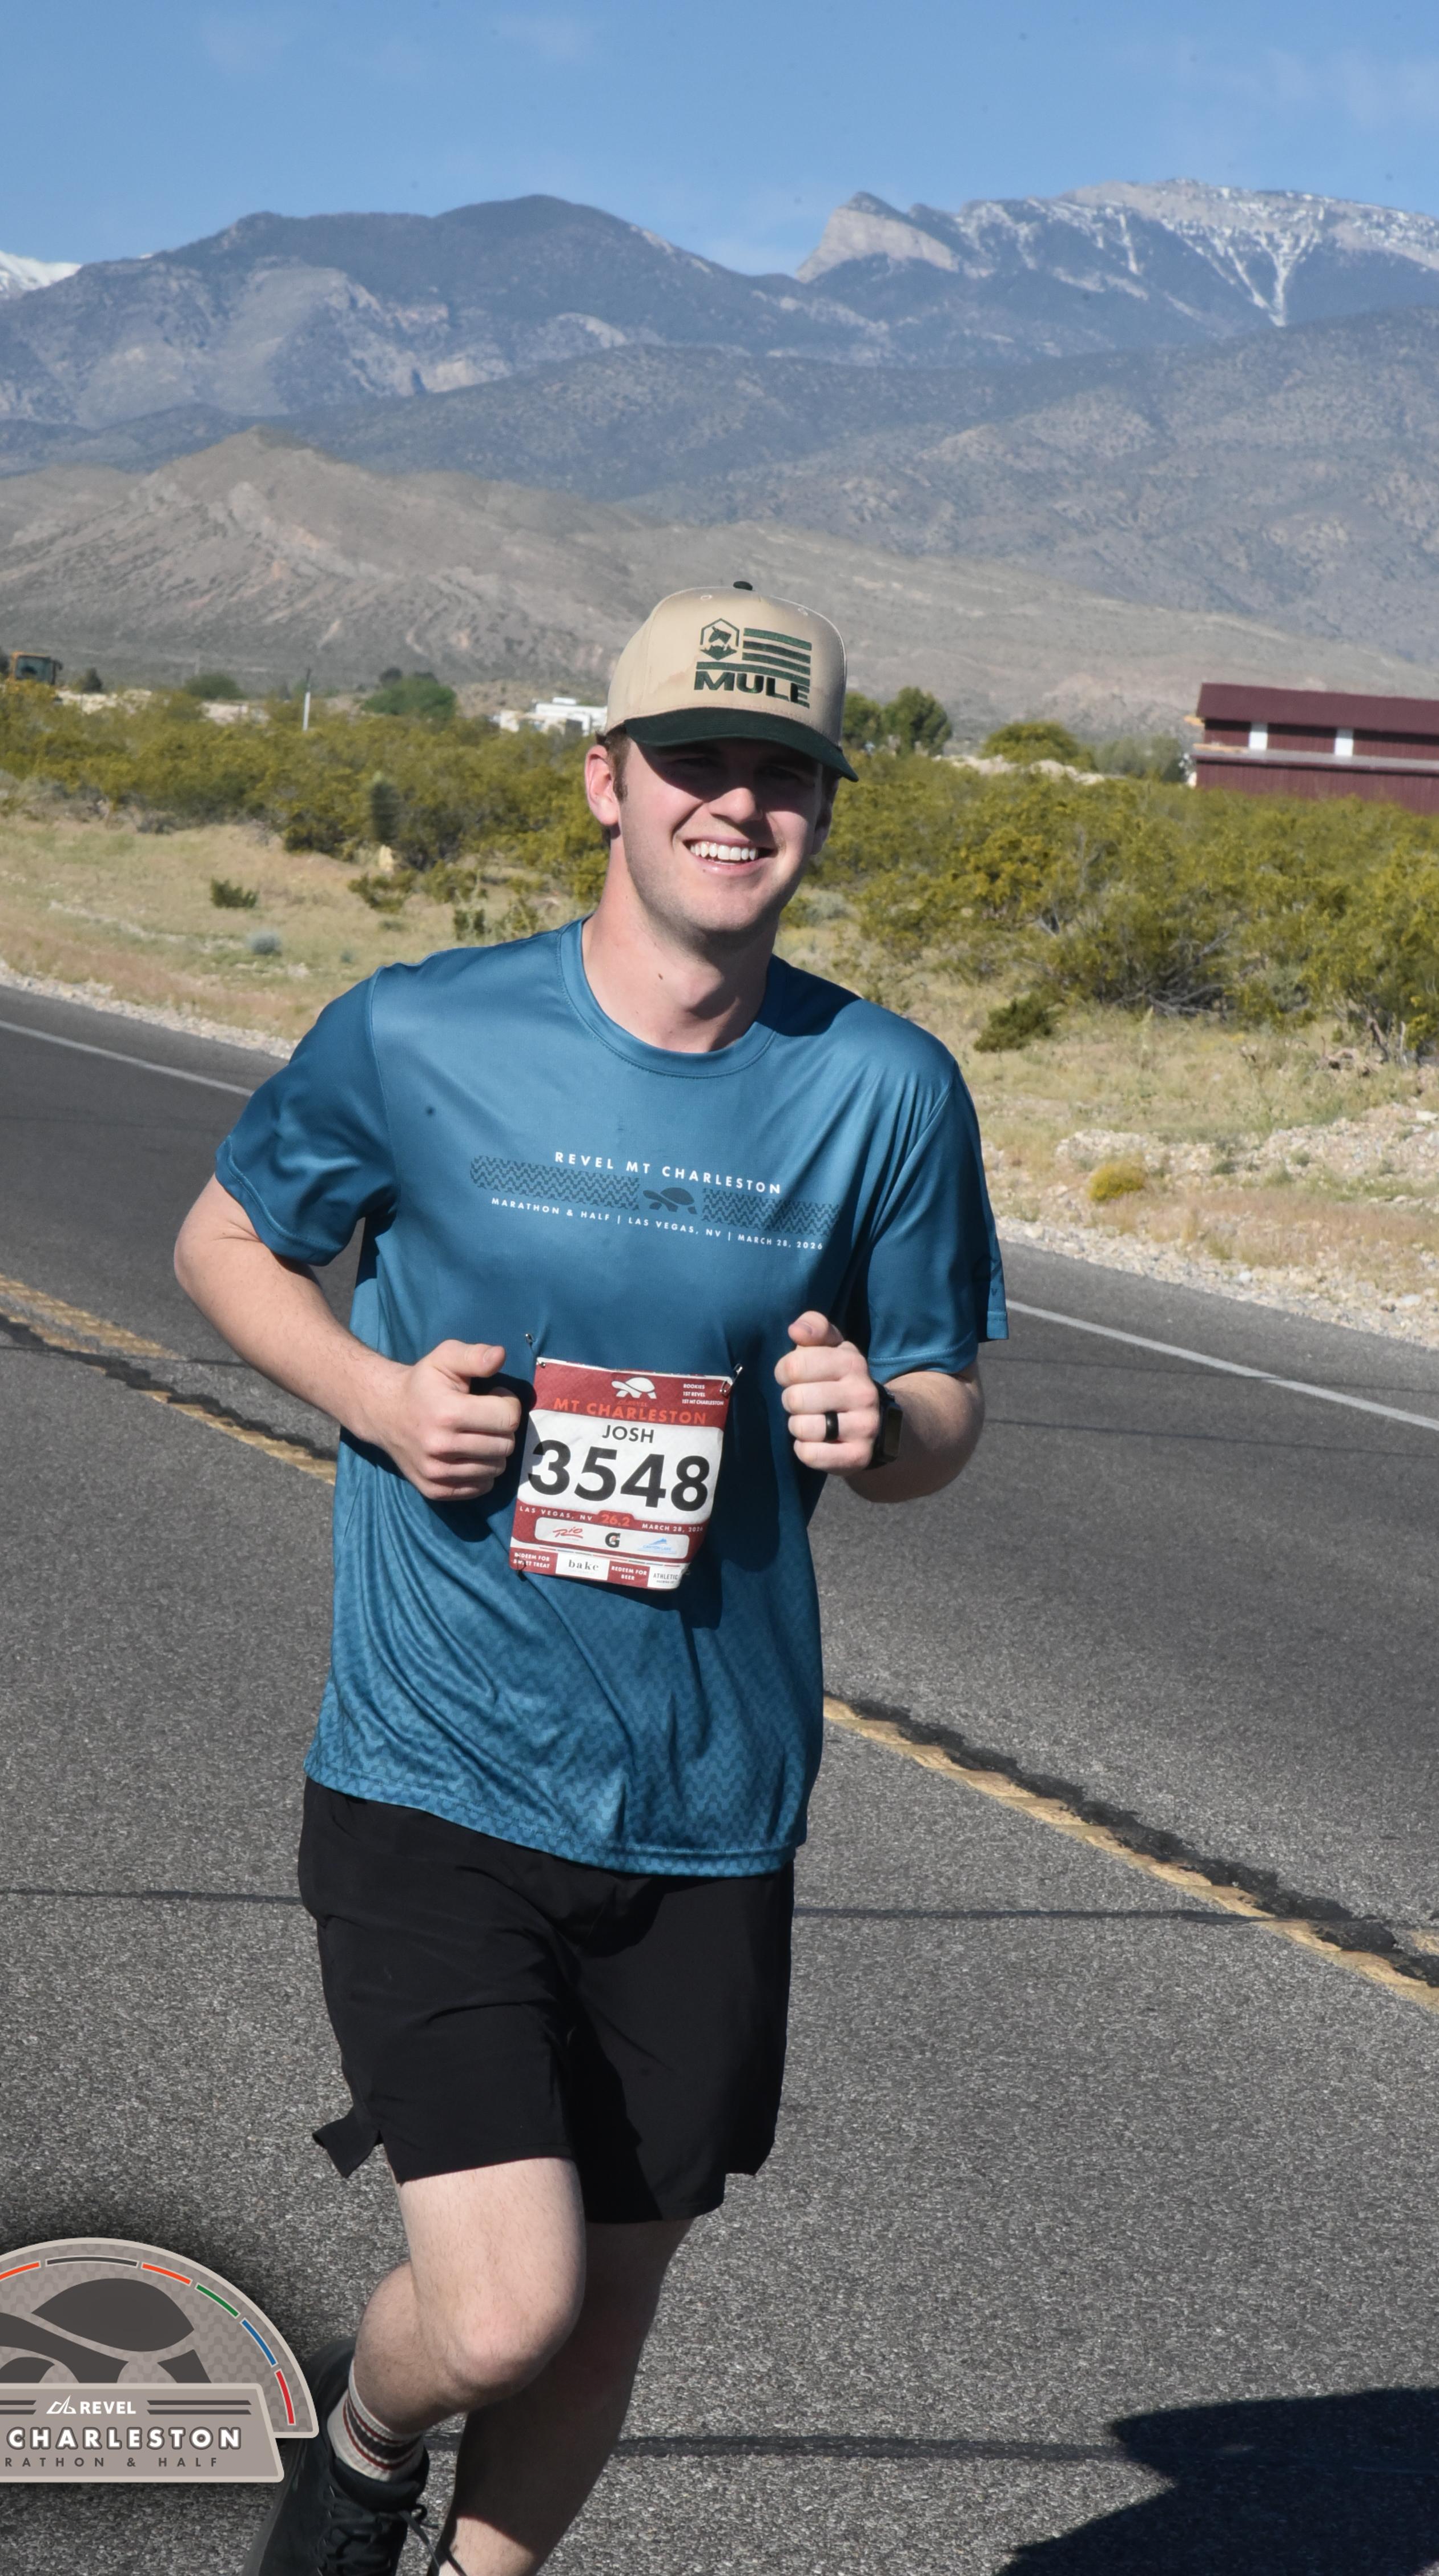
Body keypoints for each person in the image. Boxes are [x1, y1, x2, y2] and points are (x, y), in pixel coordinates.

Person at [174, 584, 1005, 2576]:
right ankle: (363, 2441)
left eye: (782, 772)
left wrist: (879, 1427)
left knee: (609, 2309)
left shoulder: (884, 1088)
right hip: (437, 1771)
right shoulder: (422, 1031)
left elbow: (941, 1402)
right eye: (695, 760)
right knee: (501, 2313)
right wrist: (380, 1399)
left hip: (710, 1798)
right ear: (605, 782)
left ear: (825, 807)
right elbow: (223, 1242)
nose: (738, 804)